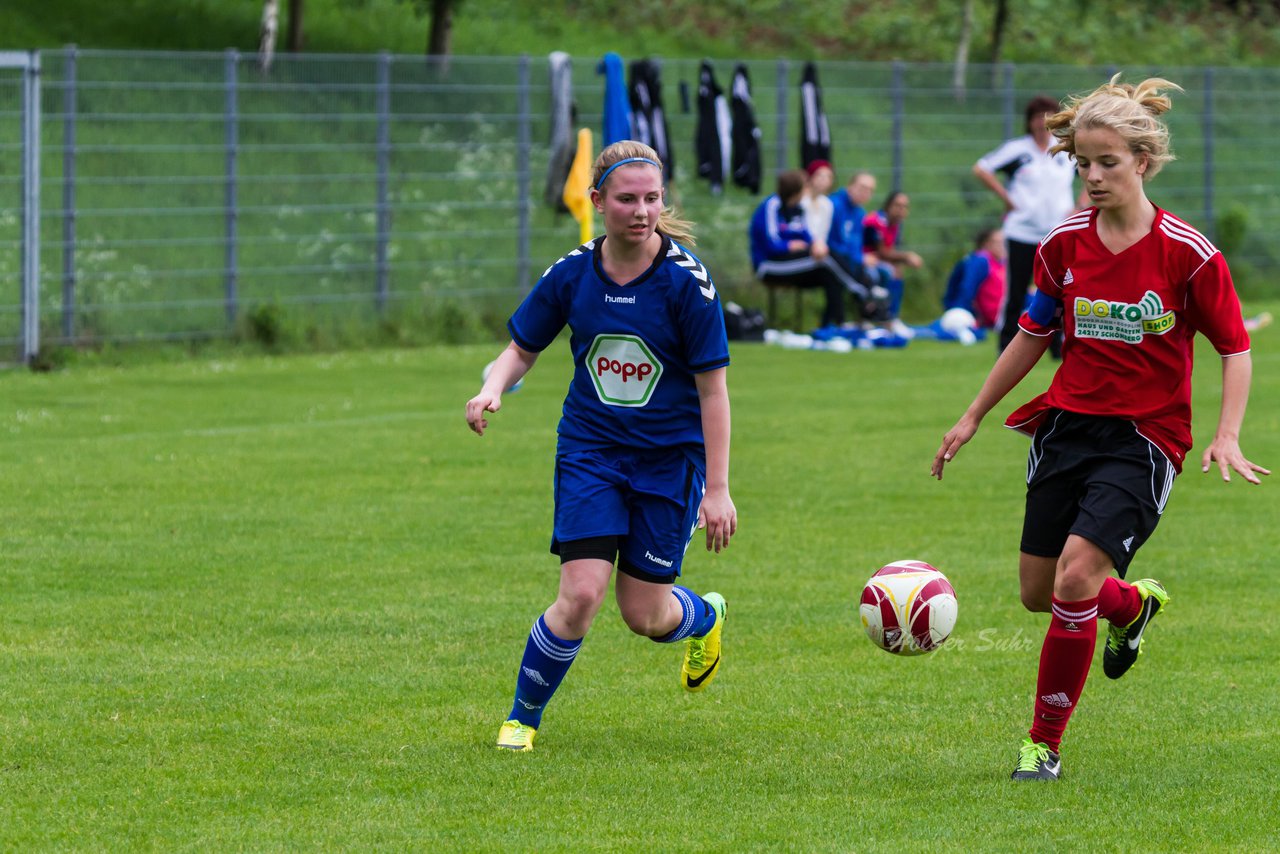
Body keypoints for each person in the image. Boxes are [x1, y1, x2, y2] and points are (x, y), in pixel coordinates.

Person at [931, 76, 1269, 782]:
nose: (1092, 177)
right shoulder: (1063, 246)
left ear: (1143, 161)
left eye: (1107, 162)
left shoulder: (1188, 253)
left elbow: (1234, 347)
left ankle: (1042, 745)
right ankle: (1134, 604)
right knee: (1038, 590)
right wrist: (971, 416)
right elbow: (1030, 335)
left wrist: (1227, 433)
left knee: (1077, 575)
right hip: (1067, 428)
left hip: (1144, 438)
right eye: (1082, 162)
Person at [468, 140, 738, 753]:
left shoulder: (687, 285)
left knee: (643, 614)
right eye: (627, 199)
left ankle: (705, 617)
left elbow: (713, 392)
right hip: (591, 450)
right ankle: (522, 718)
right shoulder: (571, 273)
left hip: (670, 461)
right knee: (581, 593)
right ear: (597, 202)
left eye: (652, 198)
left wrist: (717, 489)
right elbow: (520, 349)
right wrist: (490, 389)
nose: (641, 210)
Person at [974, 95, 1087, 357]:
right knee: (1015, 290)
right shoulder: (1018, 149)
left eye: (1048, 115)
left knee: (1061, 289)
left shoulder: (1064, 148)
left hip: (1056, 232)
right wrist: (1007, 199)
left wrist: (1080, 205)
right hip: (1022, 232)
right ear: (1029, 121)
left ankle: (1058, 347)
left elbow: (1088, 169)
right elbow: (981, 168)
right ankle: (1006, 346)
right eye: (1037, 116)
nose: (1043, 121)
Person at [750, 169, 870, 328]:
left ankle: (835, 325)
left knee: (829, 272)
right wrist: (790, 245)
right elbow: (771, 243)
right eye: (805, 185)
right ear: (796, 189)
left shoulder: (798, 208)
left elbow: (806, 234)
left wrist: (815, 244)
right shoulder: (771, 206)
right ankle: (863, 293)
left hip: (793, 262)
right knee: (827, 259)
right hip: (769, 265)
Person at [863, 190, 924, 338]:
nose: (901, 210)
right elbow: (882, 251)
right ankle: (878, 318)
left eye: (904, 206)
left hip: (877, 262)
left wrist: (898, 262)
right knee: (888, 272)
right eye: (897, 205)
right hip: (862, 261)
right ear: (888, 206)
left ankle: (890, 318)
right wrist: (906, 257)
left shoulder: (894, 224)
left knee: (896, 271)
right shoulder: (876, 221)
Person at [936, 227, 1008, 343]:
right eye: (999, 242)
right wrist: (964, 313)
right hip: (990, 316)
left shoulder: (1002, 262)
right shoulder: (981, 260)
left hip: (1001, 314)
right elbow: (967, 289)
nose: (1003, 246)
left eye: (1005, 242)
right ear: (986, 244)